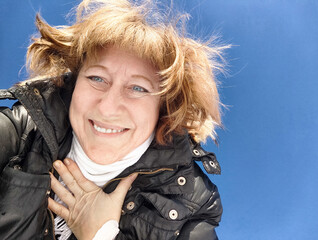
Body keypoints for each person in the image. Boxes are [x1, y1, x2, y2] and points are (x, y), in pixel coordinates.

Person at [0, 0, 228, 239]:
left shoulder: (191, 205)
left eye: (138, 88)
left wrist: (102, 235)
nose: (108, 108)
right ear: (74, 83)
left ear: (164, 108)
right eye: (97, 78)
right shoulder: (23, 131)